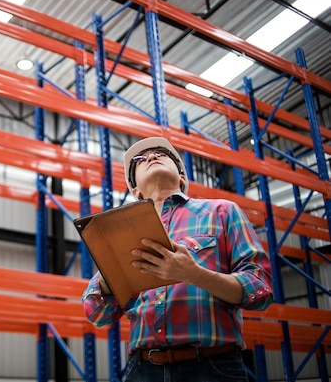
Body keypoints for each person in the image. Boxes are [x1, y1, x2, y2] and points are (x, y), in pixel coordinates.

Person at [82, 137, 274, 382]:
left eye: (161, 154)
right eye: (140, 160)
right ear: (135, 190)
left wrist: (195, 274)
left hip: (212, 368)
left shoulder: (222, 212)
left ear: (182, 178)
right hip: (142, 371)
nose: (151, 157)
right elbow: (96, 313)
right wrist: (111, 272)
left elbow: (261, 288)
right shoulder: (122, 235)